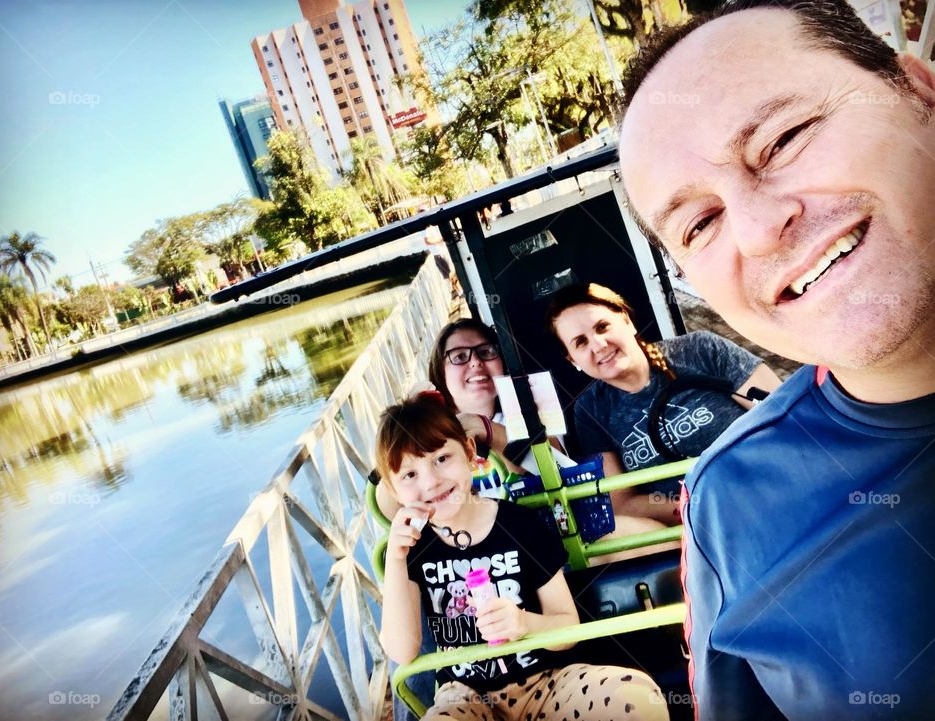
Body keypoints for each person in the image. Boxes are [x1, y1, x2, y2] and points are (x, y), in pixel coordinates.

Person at [616, 1, 935, 718]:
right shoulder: (728, 505)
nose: (760, 232)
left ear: (918, 91)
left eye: (785, 138)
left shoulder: (696, 354)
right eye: (701, 222)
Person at [375, 393, 670, 721]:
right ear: (393, 489)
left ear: (470, 453)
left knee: (636, 697)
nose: (431, 481)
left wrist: (523, 622)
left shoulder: (519, 524)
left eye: (442, 458)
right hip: (463, 695)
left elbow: (566, 626)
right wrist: (396, 560)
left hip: (544, 683)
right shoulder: (413, 549)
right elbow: (403, 650)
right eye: (409, 475)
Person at [546, 282, 781, 524]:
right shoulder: (590, 410)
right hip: (701, 529)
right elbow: (621, 502)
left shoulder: (700, 350)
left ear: (627, 321)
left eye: (603, 327)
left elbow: (784, 416)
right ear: (572, 359)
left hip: (771, 490)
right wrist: (698, 512)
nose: (599, 345)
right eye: (581, 342)